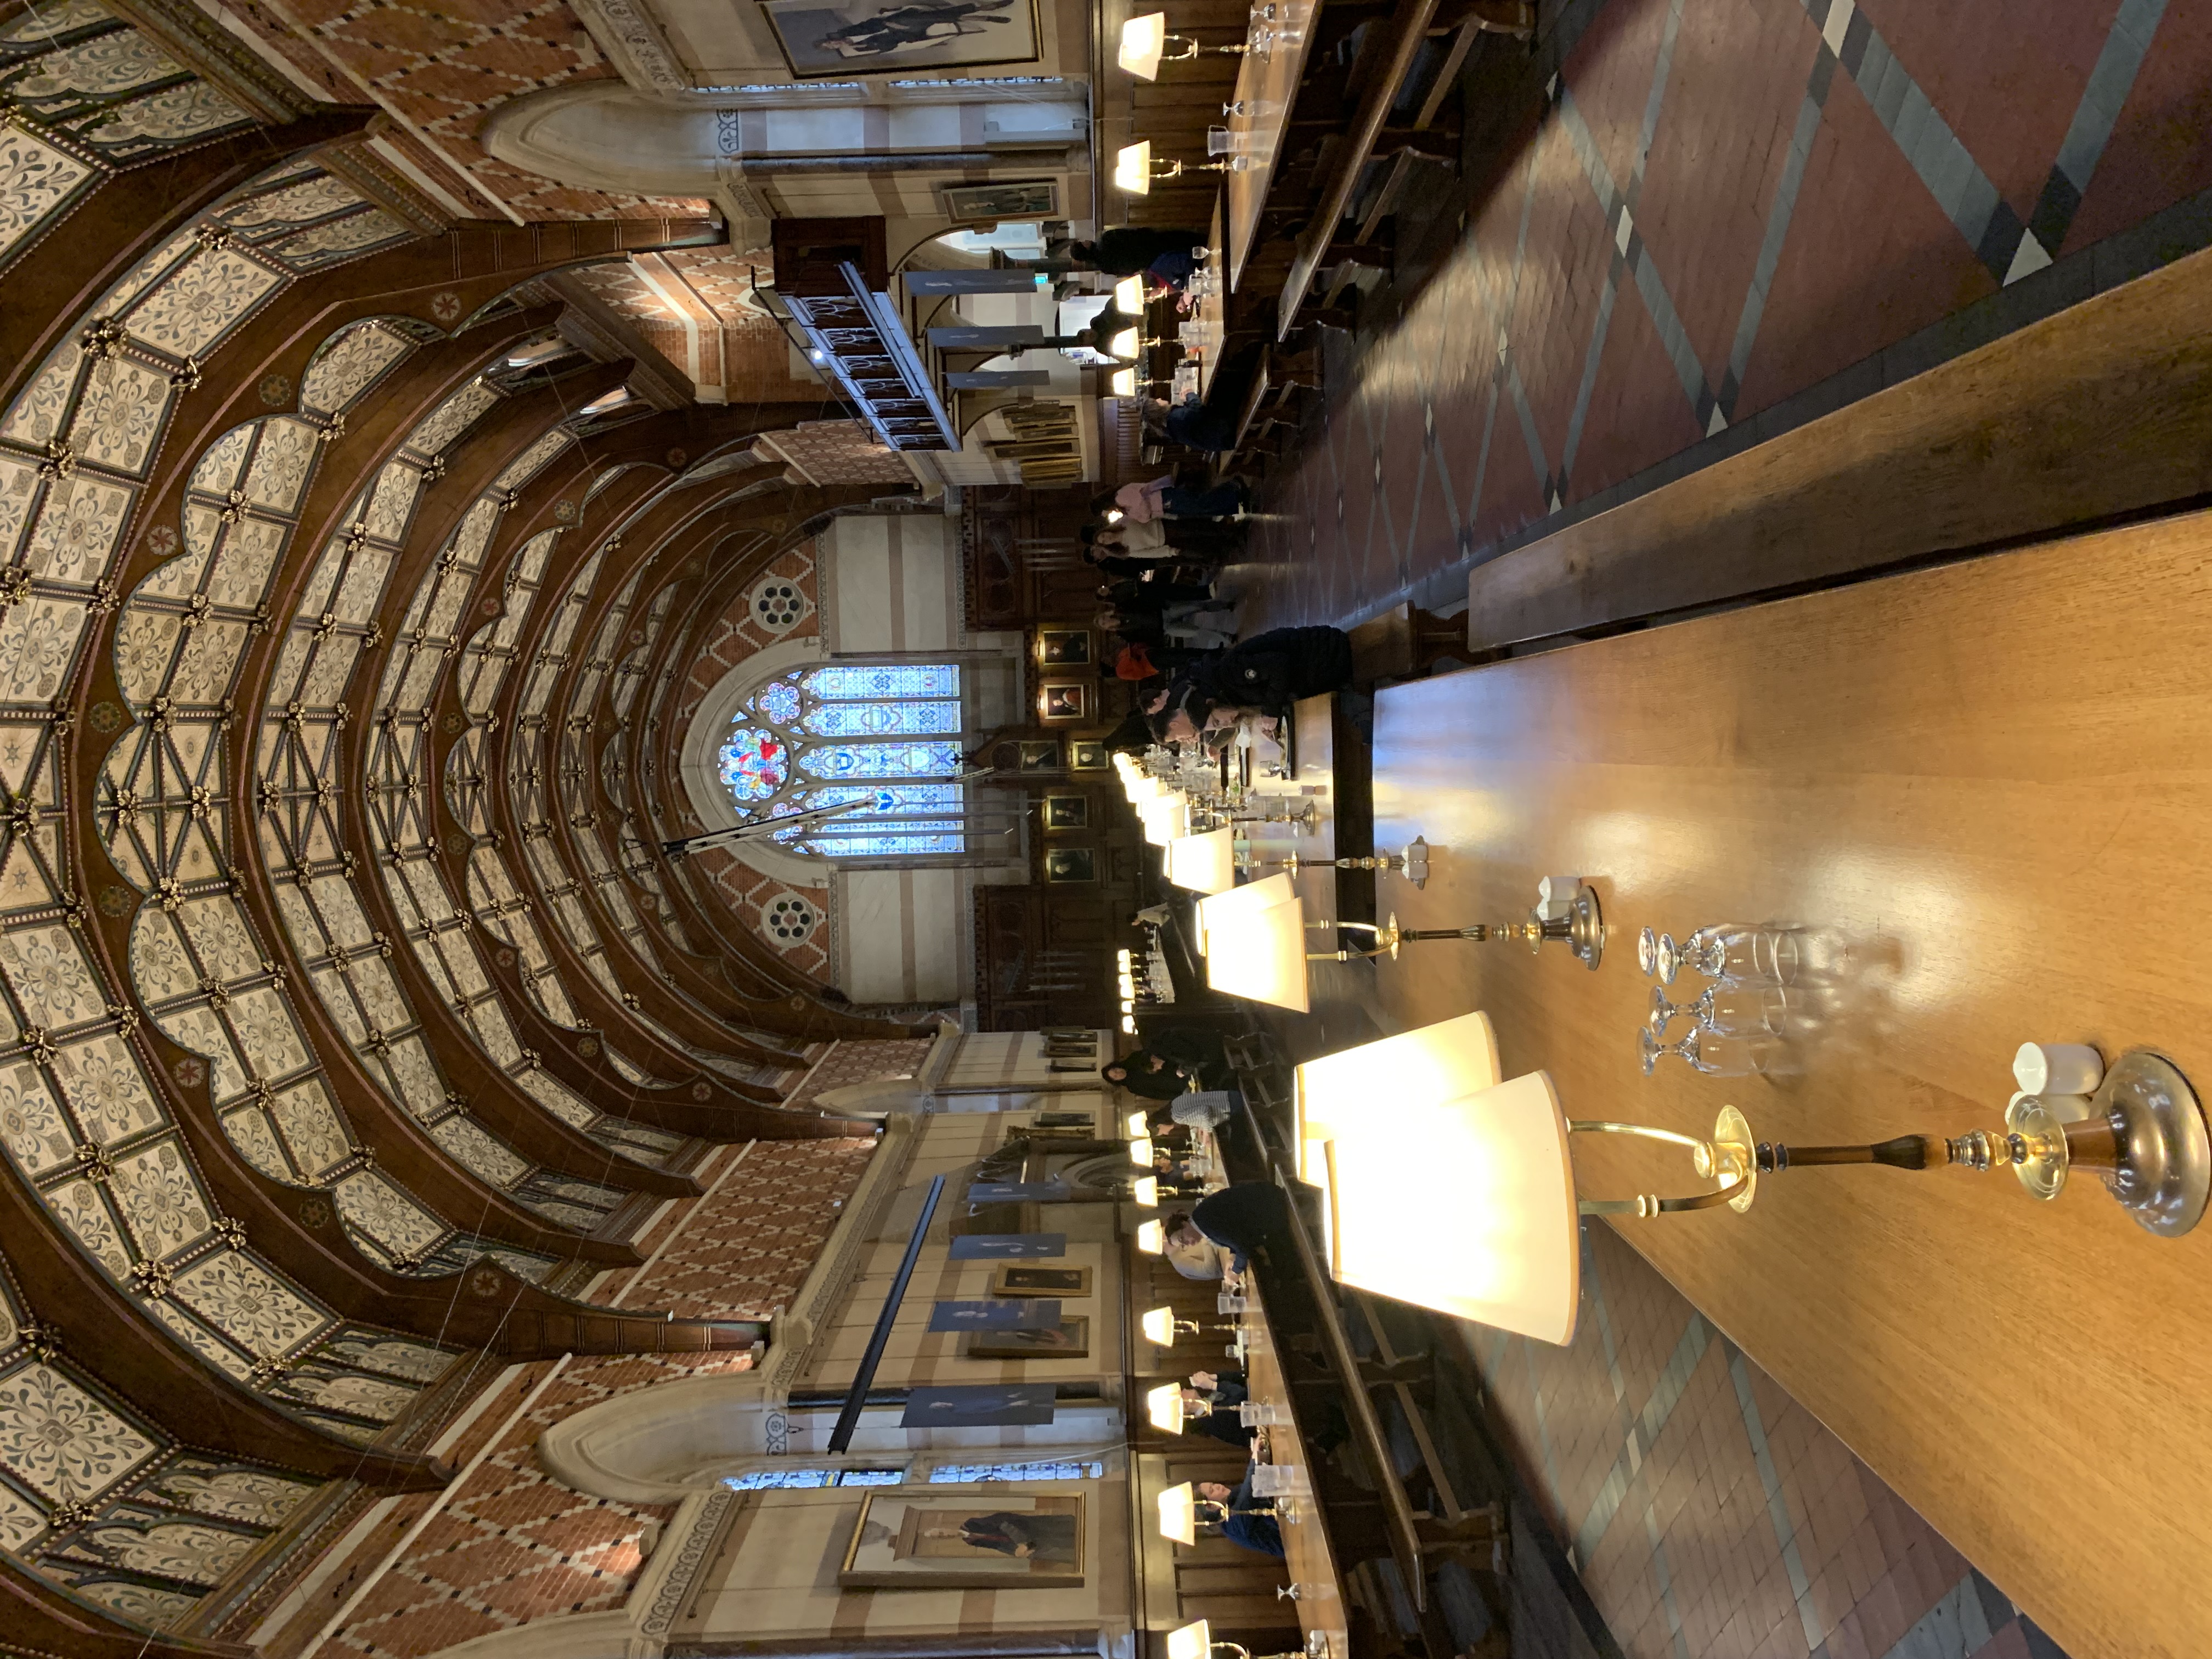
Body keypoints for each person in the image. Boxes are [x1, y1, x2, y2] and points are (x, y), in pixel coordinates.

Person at [1189, 1181, 1298, 1272]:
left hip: (1273, 1207)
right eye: (1183, 1245)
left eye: (1182, 1238)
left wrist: (1236, 1272)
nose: (1187, 1243)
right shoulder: (1200, 1218)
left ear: (1184, 1224)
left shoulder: (1204, 1224)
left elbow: (1242, 1247)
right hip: (1269, 1196)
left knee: (1281, 1262)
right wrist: (1233, 1255)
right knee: (1274, 1259)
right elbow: (1234, 1233)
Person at [1072, 227, 1209, 286]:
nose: (1085, 241)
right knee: (1187, 241)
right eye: (1082, 243)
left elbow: (1127, 272)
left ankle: (1209, 263)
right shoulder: (1106, 240)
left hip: (1152, 263)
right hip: (1152, 243)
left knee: (1186, 260)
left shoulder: (1104, 267)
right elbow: (1131, 236)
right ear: (1085, 248)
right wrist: (1147, 232)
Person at [929, 1510, 1079, 1564]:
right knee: (1042, 1554)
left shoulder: (971, 1524)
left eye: (941, 1533)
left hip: (1028, 1531)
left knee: (1062, 1534)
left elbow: (1002, 1521)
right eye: (941, 1538)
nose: (945, 1535)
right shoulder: (970, 1541)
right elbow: (997, 1545)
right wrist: (1015, 1552)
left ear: (944, 1528)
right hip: (1025, 1544)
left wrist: (1022, 1543)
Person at [1196, 1475, 1283, 1558]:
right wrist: (1256, 1461)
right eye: (1212, 1490)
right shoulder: (1230, 1525)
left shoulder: (1234, 1496)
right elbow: (1250, 1487)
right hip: (1291, 1541)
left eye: (1214, 1484)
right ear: (1212, 1507)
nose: (1218, 1486)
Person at [1101, 1049, 1194, 1100]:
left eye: (1115, 1070)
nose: (1119, 1073)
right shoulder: (1133, 1087)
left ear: (1116, 1066)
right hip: (1173, 1086)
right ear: (1116, 1081)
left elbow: (1156, 1054)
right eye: (1115, 1076)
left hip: (1175, 1068)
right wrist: (1179, 1096)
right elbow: (1155, 1094)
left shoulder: (1134, 1058)